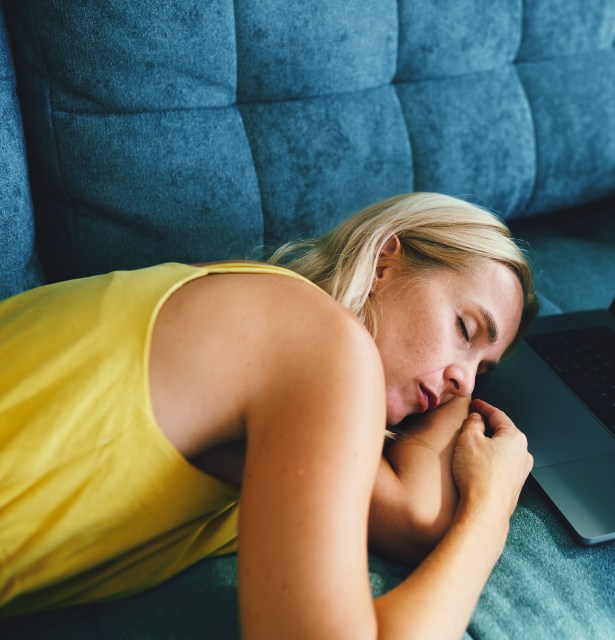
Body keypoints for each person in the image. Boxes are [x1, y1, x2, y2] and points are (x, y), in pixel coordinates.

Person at [0, 192, 540, 638]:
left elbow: (415, 515)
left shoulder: (263, 332)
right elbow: (423, 517)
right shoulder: (318, 343)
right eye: (466, 329)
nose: (463, 384)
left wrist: (456, 372)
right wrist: (491, 509)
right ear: (383, 261)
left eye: (482, 372)